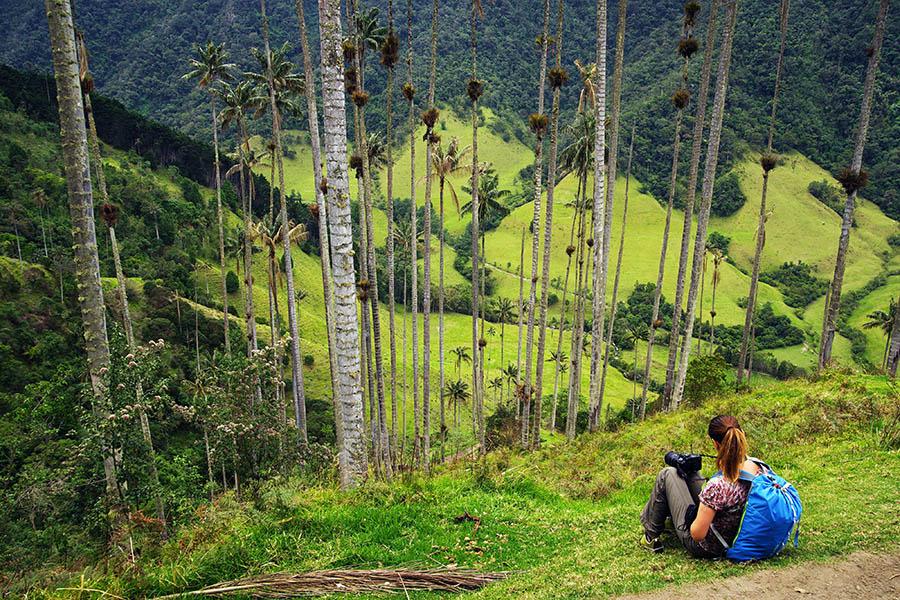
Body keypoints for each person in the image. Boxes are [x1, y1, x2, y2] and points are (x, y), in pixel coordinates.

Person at [639, 415, 762, 557]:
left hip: (710, 546)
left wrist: (692, 514)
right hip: (737, 533)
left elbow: (697, 534)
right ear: (742, 435)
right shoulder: (758, 466)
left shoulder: (718, 486)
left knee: (668, 473)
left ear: (715, 444)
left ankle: (650, 536)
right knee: (689, 471)